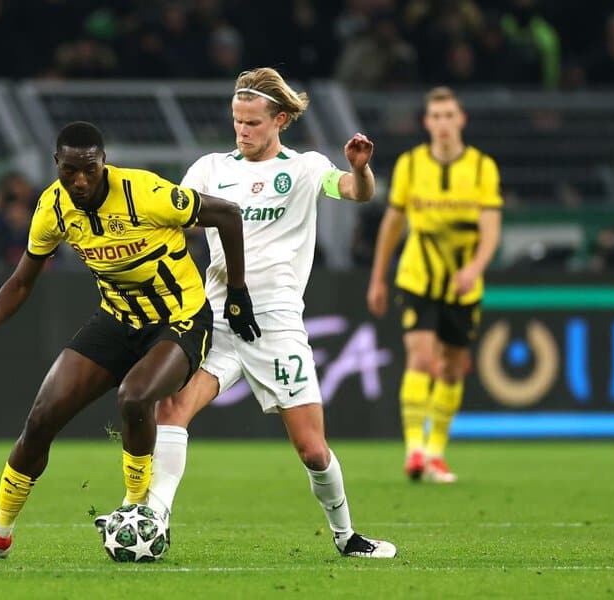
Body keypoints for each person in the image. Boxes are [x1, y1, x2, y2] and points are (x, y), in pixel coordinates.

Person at [109, 67, 396, 559]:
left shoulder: (305, 168)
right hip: (217, 317)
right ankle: (154, 517)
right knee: (171, 409)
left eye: (253, 123)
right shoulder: (209, 169)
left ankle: (347, 535)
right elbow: (175, 220)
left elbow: (356, 191)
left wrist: (361, 169)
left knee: (312, 450)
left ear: (279, 119)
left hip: (276, 323)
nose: (242, 131)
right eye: (237, 121)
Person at [0, 121, 259, 559]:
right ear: (56, 165)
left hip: (179, 319)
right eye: (69, 170)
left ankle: (134, 508)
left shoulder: (145, 193)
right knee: (41, 419)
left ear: (103, 163)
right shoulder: (53, 208)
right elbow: (21, 281)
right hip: (117, 319)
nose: (79, 180)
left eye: (89, 170)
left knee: (135, 397)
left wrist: (237, 292)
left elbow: (227, 214)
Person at [366, 87, 503, 483]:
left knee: (453, 369)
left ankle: (436, 453)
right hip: (418, 276)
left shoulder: (481, 167)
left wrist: (474, 269)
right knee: (422, 359)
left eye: (449, 116)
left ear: (461, 120)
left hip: (463, 282)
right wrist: (378, 278)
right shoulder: (410, 165)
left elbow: (491, 228)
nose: (443, 123)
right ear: (427, 122)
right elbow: (393, 224)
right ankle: (414, 450)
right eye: (436, 116)